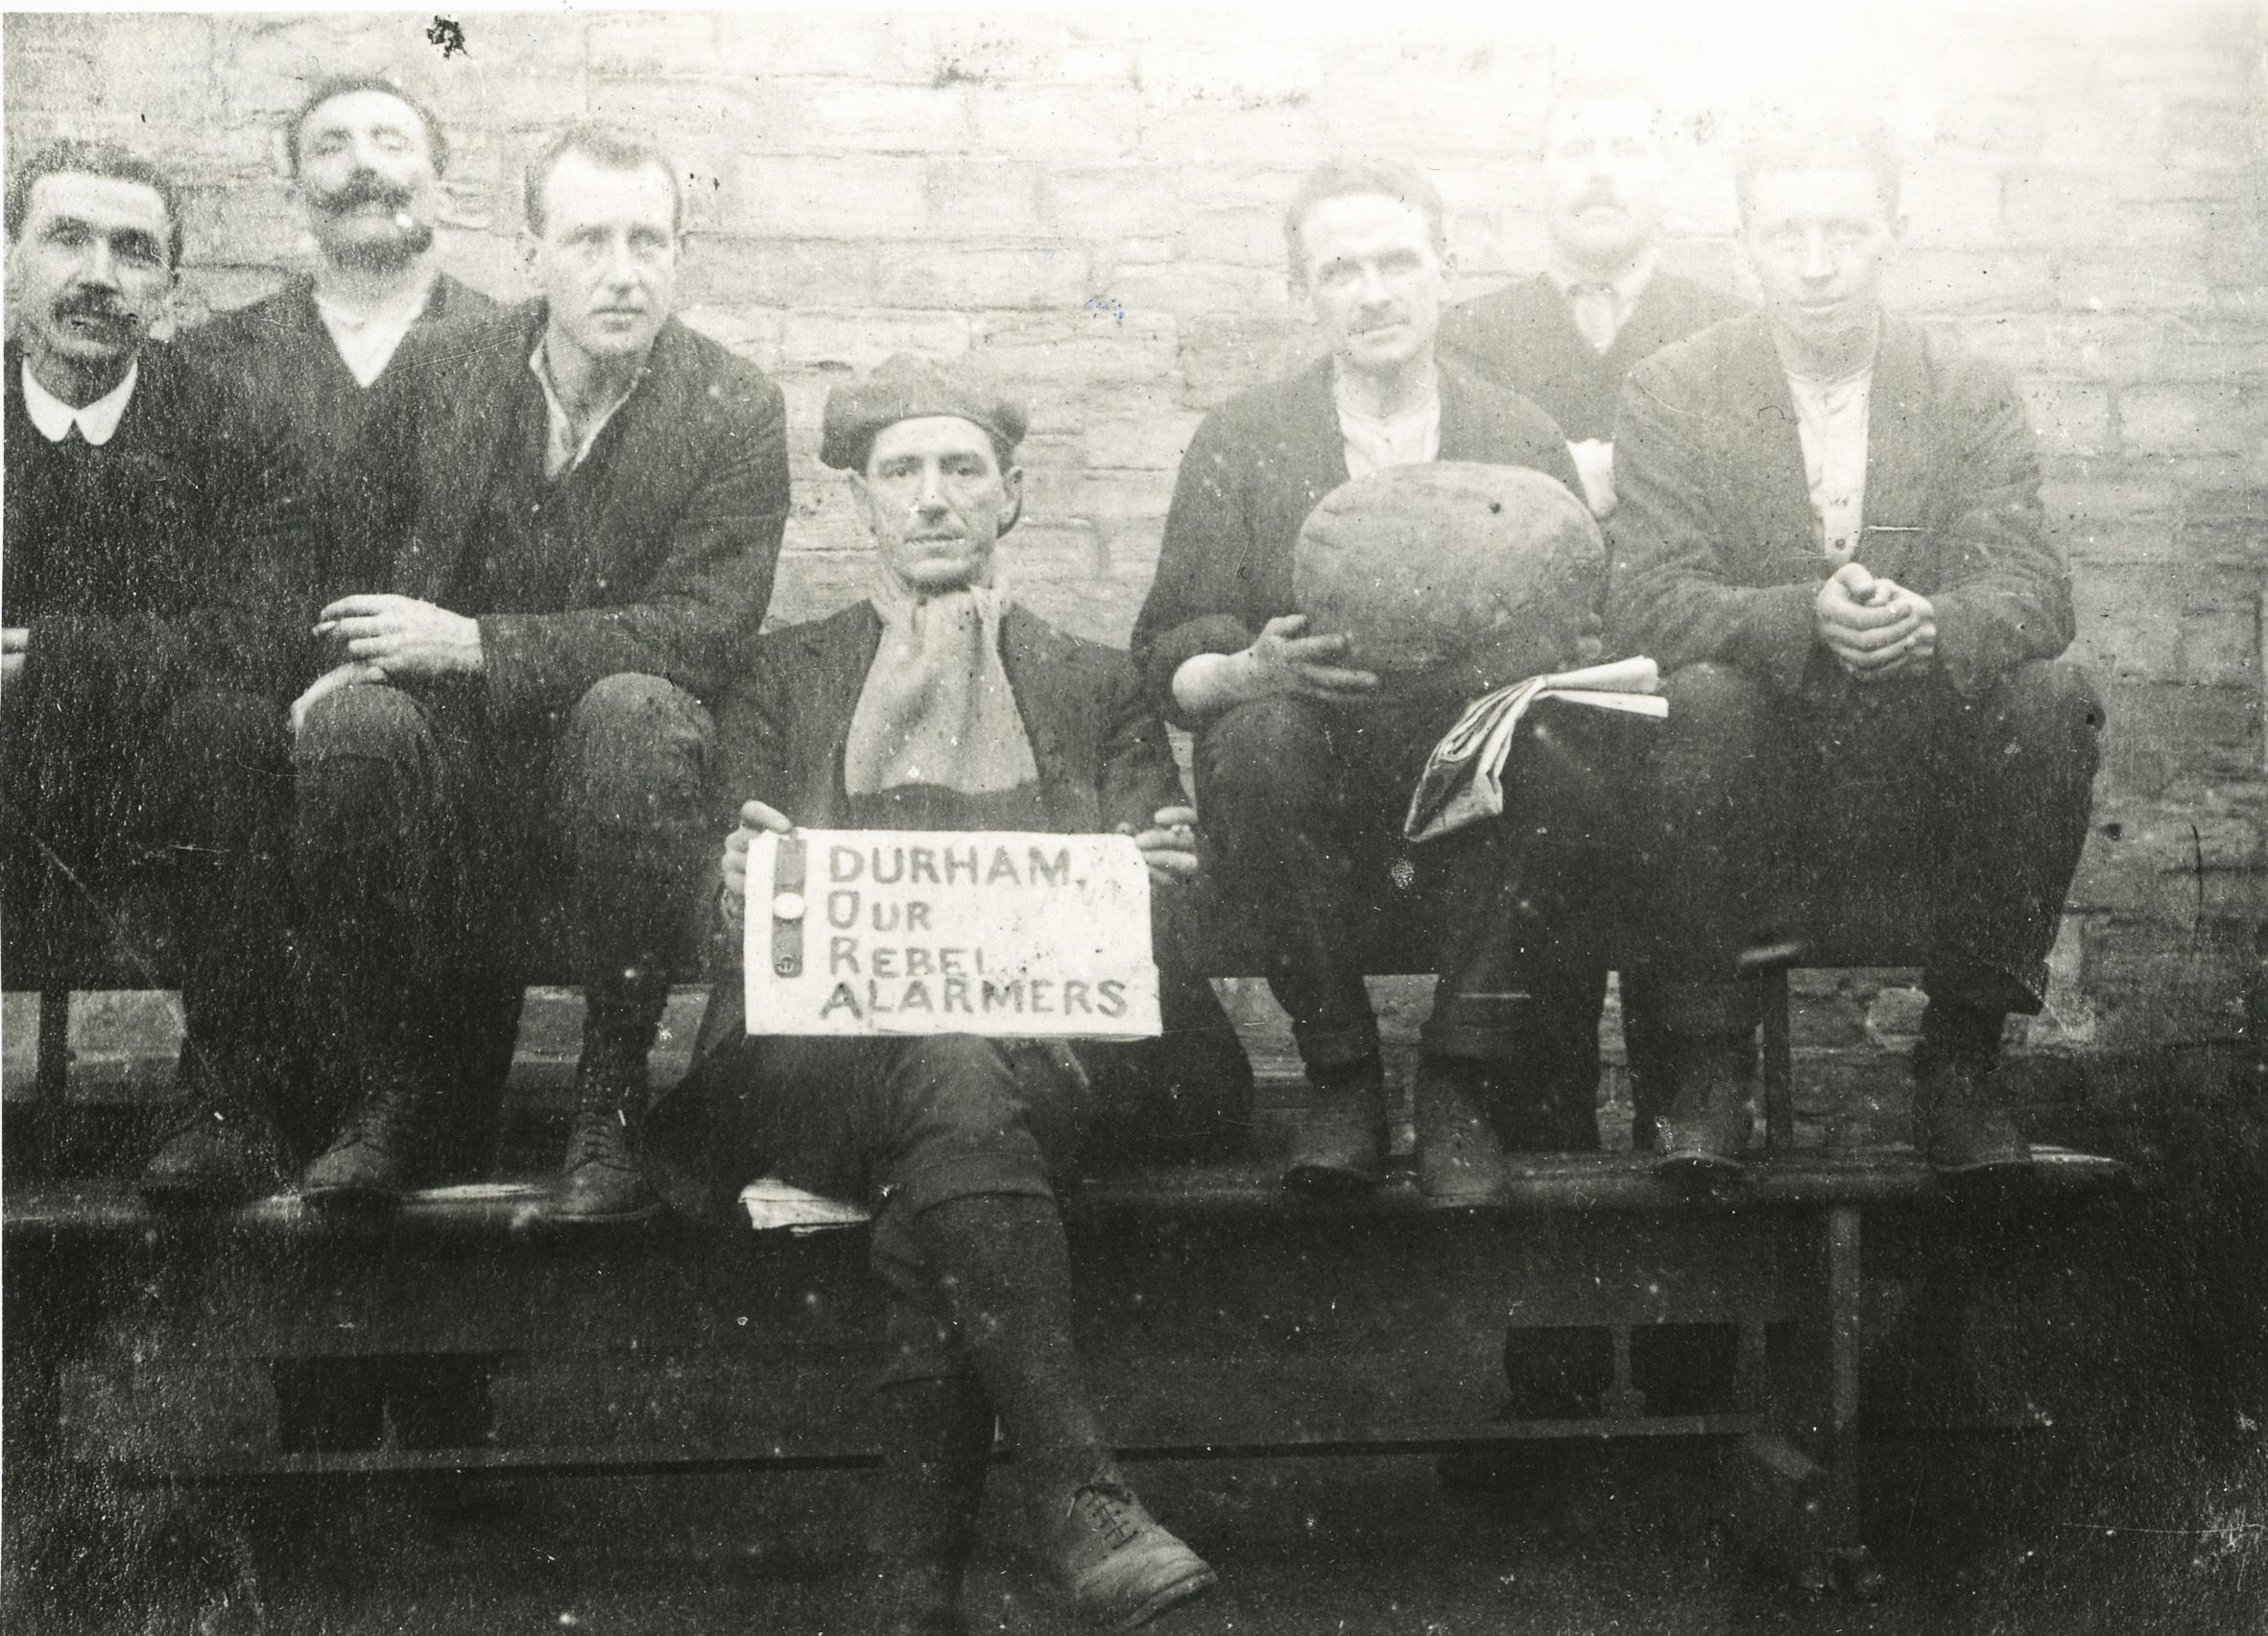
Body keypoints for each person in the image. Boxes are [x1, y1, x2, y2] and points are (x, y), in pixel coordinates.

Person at [641, 355, 1219, 1634]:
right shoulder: (782, 676)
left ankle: (913, 1579)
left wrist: (1159, 876)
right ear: (858, 499)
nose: (933, 496)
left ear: (1010, 497)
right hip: (818, 1074)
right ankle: (1075, 1491)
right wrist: (728, 883)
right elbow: (711, 886)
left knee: (950, 1108)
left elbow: (1160, 902)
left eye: (963, 470)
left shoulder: (1083, 677)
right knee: (951, 1084)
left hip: (1058, 1063)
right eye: (901, 471)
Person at [287, 123, 790, 1219]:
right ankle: (395, 1092)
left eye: (648, 241)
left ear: (679, 253)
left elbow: (704, 632)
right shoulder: (442, 369)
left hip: (626, 789)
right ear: (529, 254)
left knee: (633, 713)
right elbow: (348, 563)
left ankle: (607, 1103)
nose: (622, 272)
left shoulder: (731, 404)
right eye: (588, 240)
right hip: (455, 771)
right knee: (355, 731)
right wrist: (344, 664)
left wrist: (479, 643)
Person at [1608, 110, 2102, 1176]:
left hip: (1915, 786)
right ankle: (1708, 1068)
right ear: (1745, 246)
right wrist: (1801, 617)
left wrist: (1935, 625)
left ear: (1893, 233)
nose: (1816, 266)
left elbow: (2034, 591)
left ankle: (1959, 1065)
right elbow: (1642, 598)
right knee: (1696, 699)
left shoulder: (1964, 386)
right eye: (1784, 236)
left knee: (2053, 699)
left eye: (1844, 231)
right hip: (1744, 782)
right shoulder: (1673, 388)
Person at [1131, 158, 1607, 1198]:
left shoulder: (1517, 433)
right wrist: (1249, 663)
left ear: (1445, 267)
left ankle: (1459, 1077)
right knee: (1252, 737)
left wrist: (1554, 652)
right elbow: (1169, 645)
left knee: (1562, 745)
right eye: (1339, 269)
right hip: (1320, 811)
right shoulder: (1243, 439)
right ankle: (1341, 1074)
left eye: (1397, 260)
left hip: (1475, 810)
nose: (1373, 291)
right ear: (1303, 292)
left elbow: (1581, 610)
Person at [151, 74, 508, 1199]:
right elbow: (192, 556)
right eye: (332, 146)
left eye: (391, 142)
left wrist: (379, 668)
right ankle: (236, 1103)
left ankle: (398, 1120)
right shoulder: (219, 359)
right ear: (294, 186)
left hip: (442, 735)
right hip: (263, 715)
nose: (363, 165)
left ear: (440, 177)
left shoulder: (507, 349)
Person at [3, 142, 307, 1181]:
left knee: (232, 730)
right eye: (66, 239)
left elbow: (259, 635)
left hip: (155, 796)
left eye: (135, 252)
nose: (99, 274)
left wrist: (48, 658)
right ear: (13, 258)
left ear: (171, 287)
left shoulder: (234, 425)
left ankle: (223, 1105)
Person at [1440, 72, 1741, 521]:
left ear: (1668, 178)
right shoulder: (1465, 337)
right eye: (1577, 151)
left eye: (1627, 151)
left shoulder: (1730, 331)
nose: (1601, 172)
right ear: (1536, 176)